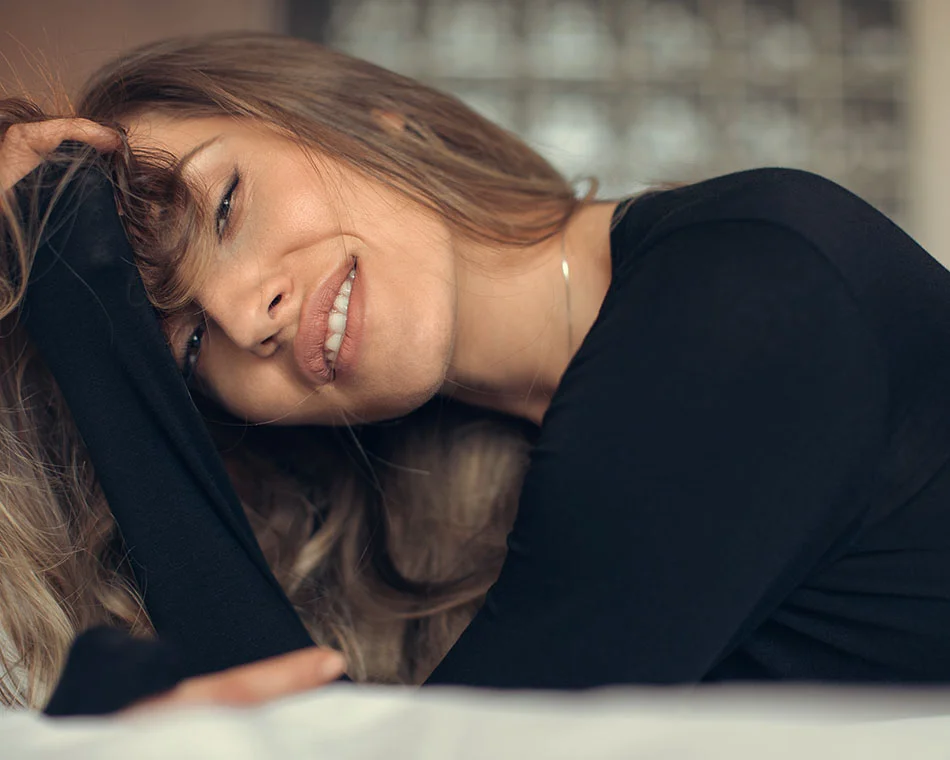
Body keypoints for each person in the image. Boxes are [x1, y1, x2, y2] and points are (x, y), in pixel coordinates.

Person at [1, 31, 949, 712]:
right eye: (190, 354)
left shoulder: (748, 296)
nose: (249, 315)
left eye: (226, 207)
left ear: (373, 122)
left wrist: (100, 350)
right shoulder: (515, 469)